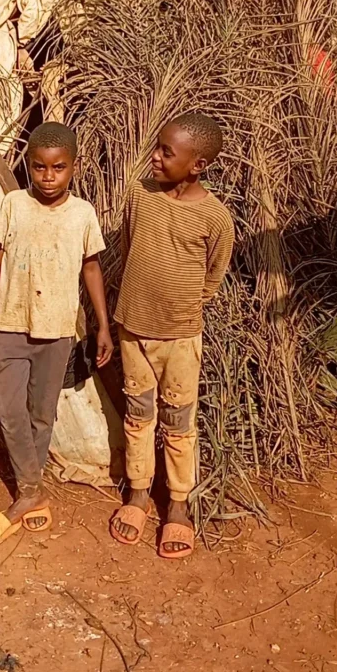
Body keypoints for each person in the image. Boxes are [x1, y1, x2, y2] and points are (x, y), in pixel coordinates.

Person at [0, 122, 113, 546]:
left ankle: (31, 493)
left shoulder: (82, 214)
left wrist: (102, 327)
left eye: (58, 168)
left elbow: (91, 268)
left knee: (41, 414)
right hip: (7, 326)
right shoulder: (13, 205)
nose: (48, 177)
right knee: (11, 414)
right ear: (28, 166)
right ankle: (31, 493)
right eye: (39, 168)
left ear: (73, 168)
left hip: (57, 330)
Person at [110, 112, 234, 559]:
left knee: (178, 423)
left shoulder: (215, 218)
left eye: (167, 152)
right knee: (138, 415)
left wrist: (175, 308)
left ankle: (177, 504)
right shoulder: (140, 196)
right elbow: (127, 247)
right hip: (132, 330)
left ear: (197, 165)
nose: (156, 157)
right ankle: (140, 494)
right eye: (158, 147)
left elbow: (211, 278)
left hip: (180, 338)